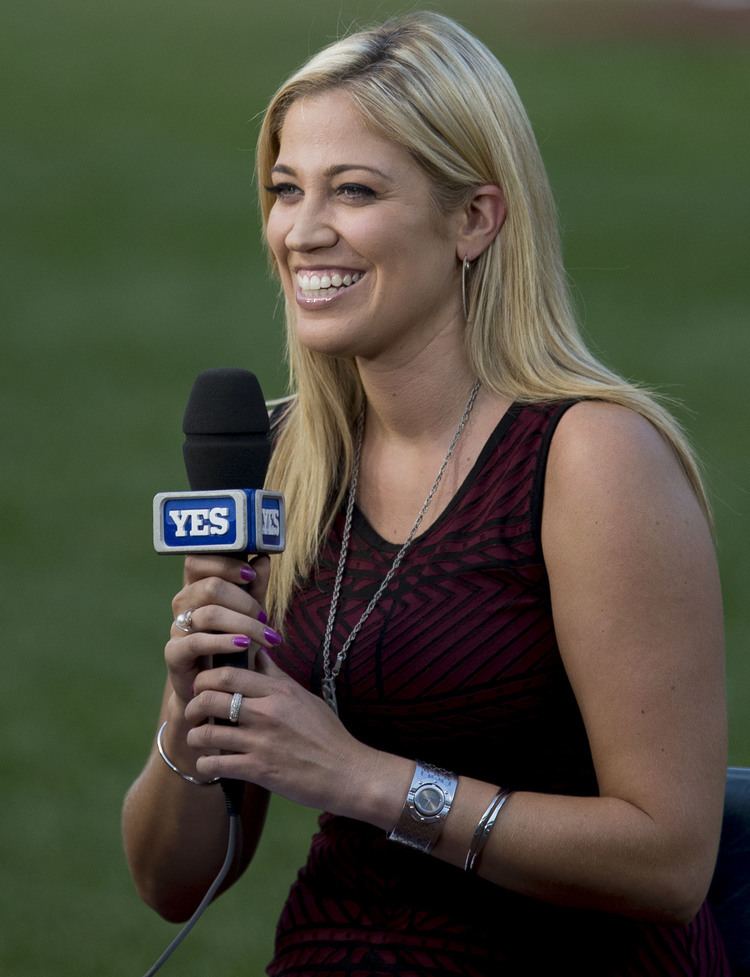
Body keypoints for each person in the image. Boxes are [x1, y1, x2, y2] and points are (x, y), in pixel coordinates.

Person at [122, 11, 730, 975]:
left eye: (354, 191)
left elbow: (669, 859)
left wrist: (363, 779)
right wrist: (186, 699)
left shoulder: (591, 459)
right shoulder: (283, 458)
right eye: (286, 190)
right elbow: (171, 884)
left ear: (475, 218)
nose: (302, 231)